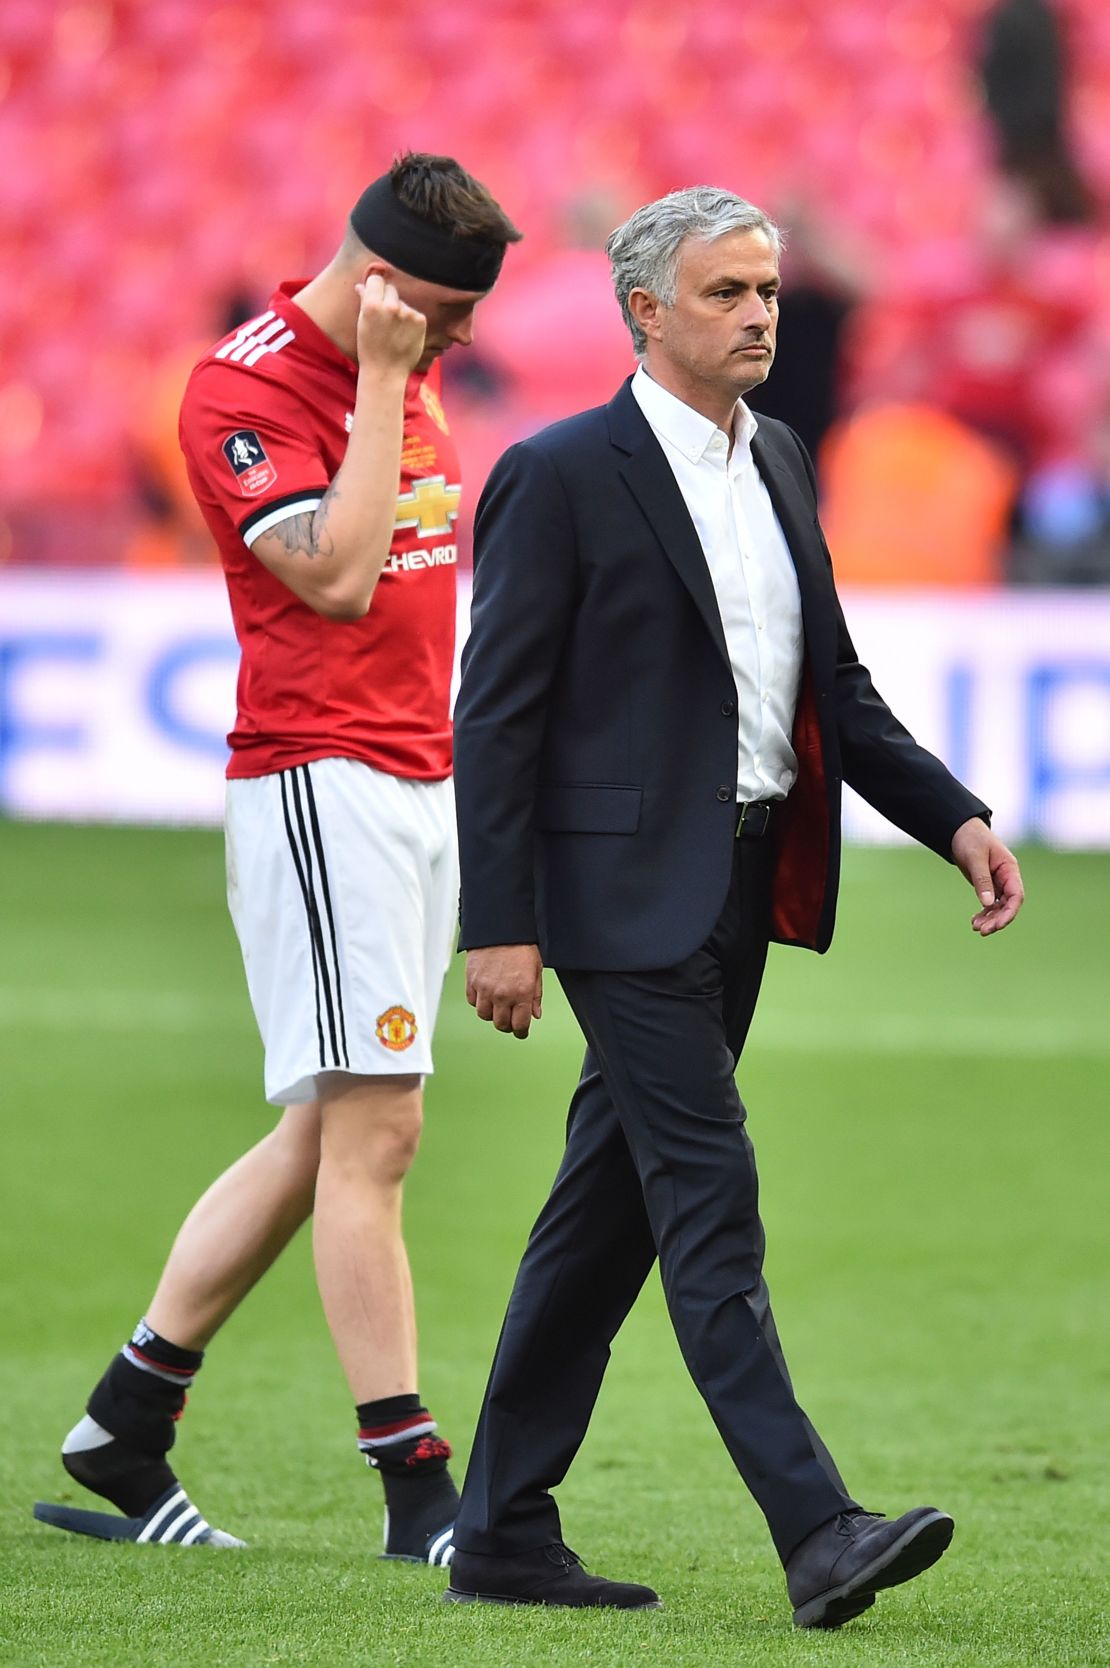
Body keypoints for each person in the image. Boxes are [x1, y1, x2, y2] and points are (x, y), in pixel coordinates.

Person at [445, 186, 1024, 1626]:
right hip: (614, 904)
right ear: (644, 310)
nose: (759, 314)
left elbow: (831, 687)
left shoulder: (778, 457)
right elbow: (497, 717)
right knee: (709, 1195)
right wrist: (496, 922)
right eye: (725, 293)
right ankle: (817, 1527)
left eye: (765, 291)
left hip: (740, 889)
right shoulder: (559, 472)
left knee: (607, 1216)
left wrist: (950, 814)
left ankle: (502, 1529)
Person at [33, 152, 521, 1564]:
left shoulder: (403, 357)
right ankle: (419, 1495)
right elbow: (339, 573)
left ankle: (125, 1426)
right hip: (322, 780)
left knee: (329, 1130)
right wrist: (380, 383)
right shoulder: (243, 390)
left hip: (413, 774)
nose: (456, 343)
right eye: (440, 313)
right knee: (380, 1132)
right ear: (376, 283)